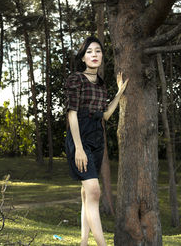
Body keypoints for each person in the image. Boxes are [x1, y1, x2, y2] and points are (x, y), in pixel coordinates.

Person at [65, 36, 129, 246]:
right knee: (94, 190)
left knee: (87, 193)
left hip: (97, 137)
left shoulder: (101, 86)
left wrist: (119, 93)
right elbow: (72, 115)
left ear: (102, 56)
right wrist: (79, 148)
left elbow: (105, 115)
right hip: (79, 136)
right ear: (83, 57)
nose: (94, 55)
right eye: (90, 51)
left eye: (98, 51)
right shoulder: (76, 79)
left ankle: (83, 243)